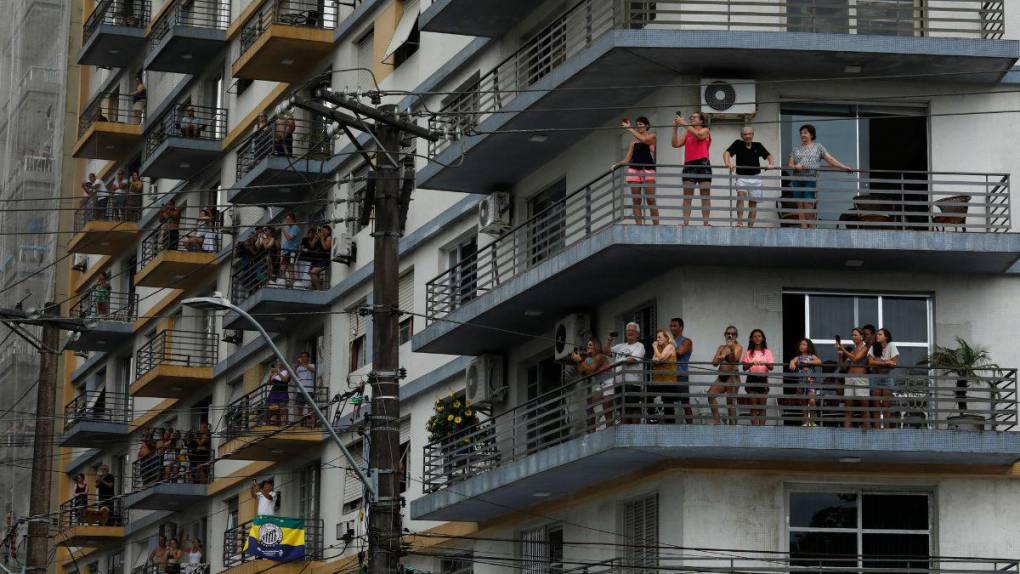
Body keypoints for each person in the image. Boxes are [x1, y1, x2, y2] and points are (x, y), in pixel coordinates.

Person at [787, 124, 855, 229]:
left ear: (811, 134)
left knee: (808, 205)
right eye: (801, 133)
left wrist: (844, 167)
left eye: (805, 132)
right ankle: (804, 230)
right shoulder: (796, 149)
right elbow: (790, 165)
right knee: (800, 206)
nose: (802, 135)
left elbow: (830, 160)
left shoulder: (818, 147)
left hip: (810, 178)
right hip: (797, 179)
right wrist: (796, 166)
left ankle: (812, 230)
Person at [723, 127, 774, 227]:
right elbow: (726, 153)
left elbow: (769, 156)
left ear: (753, 135)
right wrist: (728, 163)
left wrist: (771, 164)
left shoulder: (758, 145)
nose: (747, 136)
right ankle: (740, 222)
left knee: (753, 203)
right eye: (745, 134)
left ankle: (750, 227)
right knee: (740, 196)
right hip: (741, 176)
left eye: (750, 134)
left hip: (756, 177)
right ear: (742, 136)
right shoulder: (737, 143)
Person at [614, 117, 658, 225]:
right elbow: (628, 159)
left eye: (641, 124)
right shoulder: (633, 143)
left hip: (648, 169)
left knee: (651, 199)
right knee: (636, 200)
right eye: (637, 124)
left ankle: (656, 225)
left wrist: (629, 129)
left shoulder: (652, 136)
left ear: (647, 126)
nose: (639, 126)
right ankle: (639, 225)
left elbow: (645, 141)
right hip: (634, 170)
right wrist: (617, 164)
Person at [672, 111, 712, 226]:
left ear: (701, 121)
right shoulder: (687, 133)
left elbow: (699, 136)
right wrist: (675, 129)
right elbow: (675, 144)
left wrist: (684, 123)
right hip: (689, 164)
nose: (692, 119)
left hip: (703, 164)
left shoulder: (705, 130)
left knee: (705, 194)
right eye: (691, 117)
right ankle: (685, 223)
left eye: (694, 117)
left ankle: (706, 223)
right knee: (687, 194)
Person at [608, 322, 646, 424]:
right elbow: (606, 351)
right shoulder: (620, 346)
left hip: (632, 383)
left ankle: (634, 431)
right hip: (619, 383)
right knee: (622, 410)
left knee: (633, 408)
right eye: (628, 331)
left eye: (632, 331)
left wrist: (619, 362)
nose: (630, 332)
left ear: (638, 334)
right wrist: (609, 340)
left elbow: (632, 360)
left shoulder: (639, 346)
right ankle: (625, 432)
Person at [571, 337, 612, 428]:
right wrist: (578, 361)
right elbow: (582, 371)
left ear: (596, 347)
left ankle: (609, 430)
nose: (587, 347)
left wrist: (580, 360)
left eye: (590, 345)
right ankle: (592, 430)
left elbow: (591, 370)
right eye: (587, 345)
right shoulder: (589, 359)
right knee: (590, 405)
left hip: (609, 382)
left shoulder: (600, 356)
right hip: (600, 384)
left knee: (606, 407)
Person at [837, 328, 872, 429]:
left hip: (861, 379)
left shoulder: (866, 347)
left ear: (861, 336)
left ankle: (868, 435)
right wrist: (840, 355)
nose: (853, 337)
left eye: (855, 335)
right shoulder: (852, 350)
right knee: (848, 409)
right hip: (849, 379)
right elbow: (843, 367)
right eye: (852, 335)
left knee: (864, 408)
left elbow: (856, 358)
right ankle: (847, 436)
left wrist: (842, 348)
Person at [709, 326, 742, 424]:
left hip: (732, 377)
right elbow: (714, 363)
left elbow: (733, 360)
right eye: (728, 333)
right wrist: (720, 357)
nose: (730, 335)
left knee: (730, 402)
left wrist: (729, 351)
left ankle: (732, 426)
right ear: (725, 334)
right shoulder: (721, 347)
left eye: (733, 334)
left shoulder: (738, 347)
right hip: (721, 377)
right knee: (710, 395)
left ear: (736, 336)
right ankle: (717, 421)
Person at [868, 328, 899, 429]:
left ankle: (886, 431)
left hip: (887, 377)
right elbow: (870, 362)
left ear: (886, 336)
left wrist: (879, 363)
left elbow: (894, 363)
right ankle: (877, 430)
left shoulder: (891, 345)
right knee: (876, 407)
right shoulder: (874, 346)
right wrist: (885, 362)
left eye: (880, 334)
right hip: (875, 377)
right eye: (877, 334)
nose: (877, 336)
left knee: (886, 407)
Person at [741, 329, 773, 426]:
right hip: (752, 379)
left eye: (759, 336)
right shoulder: (748, 352)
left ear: (763, 338)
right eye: (755, 336)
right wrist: (751, 363)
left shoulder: (767, 352)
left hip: (763, 379)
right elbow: (744, 367)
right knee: (754, 406)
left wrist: (765, 363)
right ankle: (755, 429)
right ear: (751, 339)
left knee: (762, 406)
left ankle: (762, 428)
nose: (757, 338)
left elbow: (771, 367)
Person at [789, 338, 823, 426]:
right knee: (803, 403)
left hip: (810, 383)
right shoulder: (798, 357)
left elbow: (819, 361)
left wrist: (808, 361)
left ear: (808, 346)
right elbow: (792, 361)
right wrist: (792, 363)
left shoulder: (812, 356)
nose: (802, 346)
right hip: (801, 383)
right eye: (801, 344)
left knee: (812, 401)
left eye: (804, 344)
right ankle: (805, 422)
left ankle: (812, 421)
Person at [668, 318, 694, 424]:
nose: (672, 328)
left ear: (681, 327)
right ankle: (669, 427)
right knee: (667, 403)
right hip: (668, 376)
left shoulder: (686, 341)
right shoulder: (668, 342)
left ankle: (691, 428)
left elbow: (680, 352)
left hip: (681, 375)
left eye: (675, 326)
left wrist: (668, 347)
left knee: (685, 403)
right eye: (671, 326)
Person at [649, 329, 677, 424]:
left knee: (668, 402)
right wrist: (658, 357)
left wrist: (654, 347)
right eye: (657, 337)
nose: (657, 339)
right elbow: (653, 362)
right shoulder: (659, 348)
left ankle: (670, 425)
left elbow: (660, 358)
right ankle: (652, 417)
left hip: (669, 380)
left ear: (667, 338)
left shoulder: (670, 346)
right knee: (648, 393)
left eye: (660, 337)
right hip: (658, 379)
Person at [280, 213, 302, 287]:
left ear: (292, 219)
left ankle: (291, 283)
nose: (287, 222)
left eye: (288, 220)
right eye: (286, 220)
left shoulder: (295, 227)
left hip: (292, 251)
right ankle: (287, 282)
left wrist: (283, 230)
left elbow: (289, 238)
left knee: (290, 267)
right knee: (283, 268)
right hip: (286, 251)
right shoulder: (290, 228)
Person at [295, 351, 317, 423]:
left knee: (310, 408)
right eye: (302, 357)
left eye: (304, 357)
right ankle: (301, 424)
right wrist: (297, 365)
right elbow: (294, 375)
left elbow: (313, 370)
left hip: (309, 390)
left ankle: (312, 424)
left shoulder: (312, 365)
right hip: (300, 390)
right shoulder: (298, 368)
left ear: (308, 358)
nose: (303, 358)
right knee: (300, 408)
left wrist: (302, 363)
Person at [307, 226, 332, 290]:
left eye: (324, 230)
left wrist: (321, 238)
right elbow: (312, 246)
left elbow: (326, 247)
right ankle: (317, 287)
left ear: (329, 231)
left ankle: (320, 290)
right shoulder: (319, 237)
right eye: (322, 230)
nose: (323, 231)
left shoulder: (328, 238)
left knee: (313, 272)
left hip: (323, 260)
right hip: (316, 259)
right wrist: (315, 238)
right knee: (311, 274)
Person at [266, 361, 290, 426]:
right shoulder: (274, 373)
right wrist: (270, 374)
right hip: (274, 392)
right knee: (274, 409)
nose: (278, 365)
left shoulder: (287, 371)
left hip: (283, 392)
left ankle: (284, 424)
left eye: (280, 363)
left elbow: (285, 380)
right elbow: (269, 383)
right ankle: (273, 424)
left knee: (283, 409)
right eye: (278, 364)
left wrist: (278, 372)